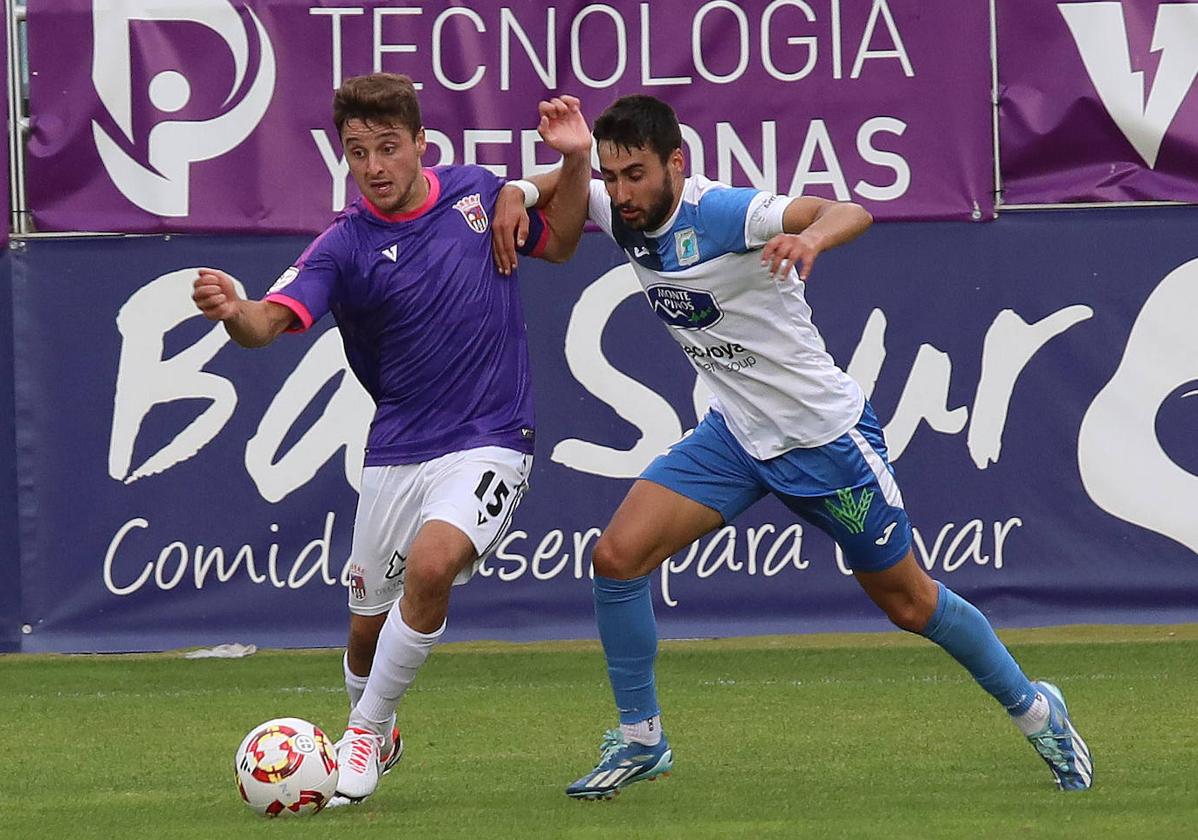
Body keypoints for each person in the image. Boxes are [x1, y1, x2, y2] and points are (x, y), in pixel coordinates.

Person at [495, 94, 1092, 799]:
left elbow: (849, 211)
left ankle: (1037, 710)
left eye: (636, 175)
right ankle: (641, 738)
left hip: (823, 441)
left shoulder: (724, 213)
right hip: (735, 435)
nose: (620, 193)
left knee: (909, 603)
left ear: (676, 165)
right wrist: (520, 186)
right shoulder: (621, 209)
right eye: (613, 175)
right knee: (616, 559)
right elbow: (563, 193)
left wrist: (810, 239)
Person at [192, 73, 593, 805]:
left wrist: (567, 164)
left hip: (493, 436)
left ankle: (368, 732)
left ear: (420, 146)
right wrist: (233, 310)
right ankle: (371, 722)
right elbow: (264, 328)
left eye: (387, 147)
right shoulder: (342, 248)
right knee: (365, 631)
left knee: (433, 568)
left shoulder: (477, 194)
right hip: (397, 450)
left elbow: (563, 243)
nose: (373, 166)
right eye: (357, 152)